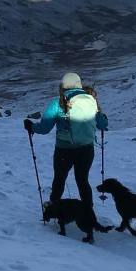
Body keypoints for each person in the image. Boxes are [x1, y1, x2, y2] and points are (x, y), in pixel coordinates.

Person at [24, 72, 108, 206]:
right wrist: (103, 118)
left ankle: (53, 207)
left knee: (59, 179)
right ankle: (88, 212)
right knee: (82, 180)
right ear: (79, 85)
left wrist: (31, 127)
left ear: (63, 86)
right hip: (87, 148)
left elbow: (44, 128)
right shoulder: (90, 100)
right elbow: (102, 125)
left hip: (64, 149)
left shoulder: (57, 103)